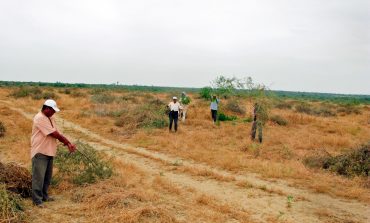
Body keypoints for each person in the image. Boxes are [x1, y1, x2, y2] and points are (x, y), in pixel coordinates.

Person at [31, 99, 76, 207]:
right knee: (39, 177)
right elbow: (54, 134)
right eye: (52, 110)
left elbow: (58, 131)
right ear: (46, 108)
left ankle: (45, 196)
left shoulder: (50, 117)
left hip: (49, 150)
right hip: (40, 151)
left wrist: (69, 143)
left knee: (47, 176)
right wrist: (66, 142)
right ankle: (37, 200)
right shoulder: (39, 118)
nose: (54, 112)